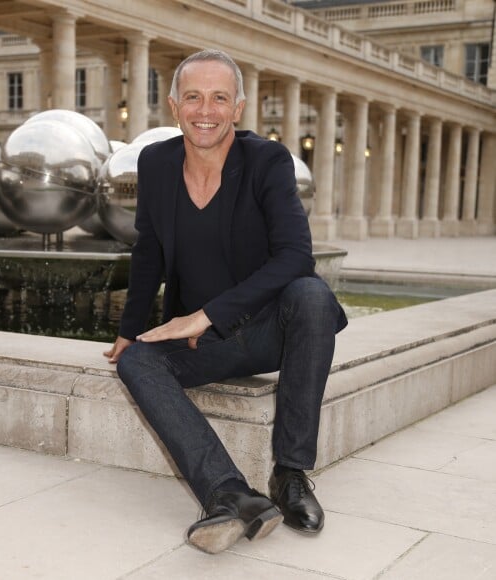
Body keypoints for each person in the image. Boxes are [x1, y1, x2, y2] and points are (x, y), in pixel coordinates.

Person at [104, 48, 347, 554]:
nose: (205, 110)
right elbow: (148, 247)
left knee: (312, 295)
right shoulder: (156, 162)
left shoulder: (268, 161)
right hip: (202, 345)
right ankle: (231, 494)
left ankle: (291, 474)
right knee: (137, 363)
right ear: (174, 105)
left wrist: (206, 315)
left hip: (264, 331)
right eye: (193, 97)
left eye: (219, 98)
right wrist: (130, 330)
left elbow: (296, 257)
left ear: (237, 107)